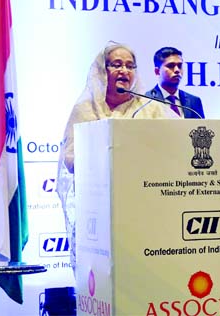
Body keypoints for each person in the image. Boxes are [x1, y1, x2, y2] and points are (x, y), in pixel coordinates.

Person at [56, 42, 178, 272]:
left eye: (130, 66)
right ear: (102, 71)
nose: (125, 71)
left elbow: (177, 144)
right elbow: (70, 159)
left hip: (147, 207)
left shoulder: (150, 108)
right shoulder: (85, 109)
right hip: (98, 210)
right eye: (117, 65)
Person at [146, 46, 205, 119]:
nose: (177, 70)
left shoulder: (194, 101)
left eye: (179, 66)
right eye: (171, 66)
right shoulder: (146, 100)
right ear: (157, 71)